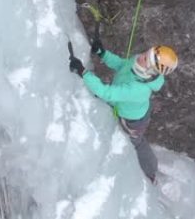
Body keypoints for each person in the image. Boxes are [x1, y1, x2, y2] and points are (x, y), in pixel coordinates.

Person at [69, 38, 178, 183]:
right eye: (146, 53)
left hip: (132, 121)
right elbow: (122, 65)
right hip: (132, 106)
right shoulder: (139, 63)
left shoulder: (138, 89)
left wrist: (83, 72)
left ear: (150, 70)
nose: (141, 56)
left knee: (137, 142)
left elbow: (106, 92)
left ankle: (151, 171)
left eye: (145, 58)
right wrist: (103, 54)